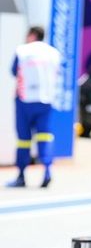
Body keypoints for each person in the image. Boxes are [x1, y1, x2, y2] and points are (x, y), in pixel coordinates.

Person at [7, 26, 61, 188]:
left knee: (24, 140)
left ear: (32, 35)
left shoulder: (22, 51)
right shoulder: (53, 53)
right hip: (46, 101)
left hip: (24, 100)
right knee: (45, 137)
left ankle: (21, 176)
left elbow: (14, 71)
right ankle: (47, 171)